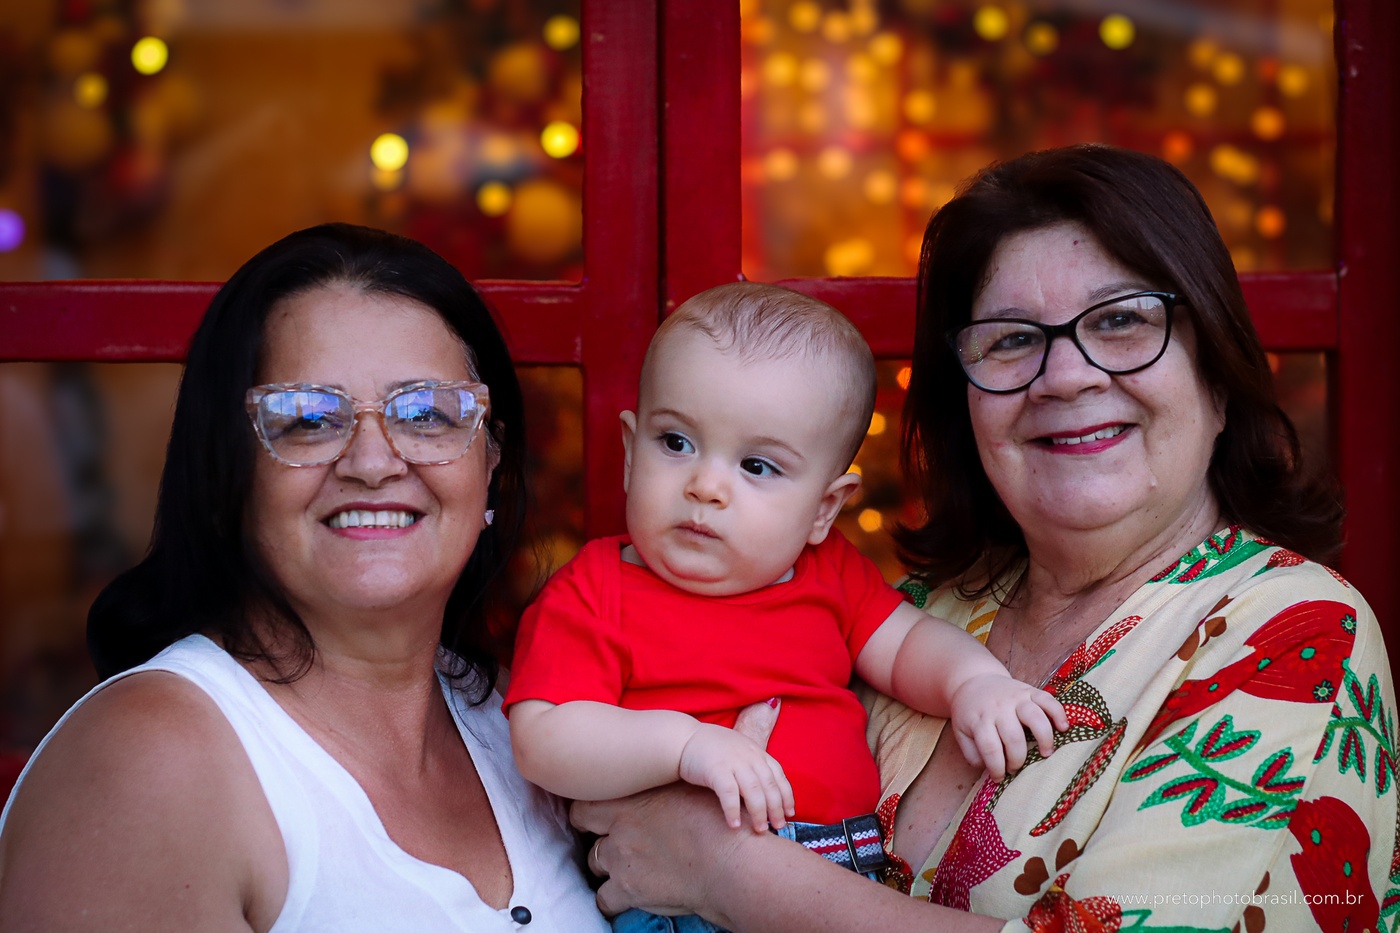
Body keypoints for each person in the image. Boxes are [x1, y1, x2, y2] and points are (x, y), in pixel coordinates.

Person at [571, 144, 1397, 933]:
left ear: (1216, 375)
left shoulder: (1295, 630)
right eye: (1012, 338)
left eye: (1121, 321)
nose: (1066, 376)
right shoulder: (923, 612)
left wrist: (729, 873)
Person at [0, 223, 608, 932]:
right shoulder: (150, 763)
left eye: (426, 413)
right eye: (308, 419)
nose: (373, 463)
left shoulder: (522, 725)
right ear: (231, 470)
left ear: (490, 462)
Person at [506, 282, 1066, 933]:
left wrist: (974, 683)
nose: (706, 486)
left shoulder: (829, 575)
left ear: (825, 508)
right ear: (631, 454)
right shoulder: (594, 589)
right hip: (675, 901)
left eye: (757, 465)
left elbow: (908, 645)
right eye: (676, 442)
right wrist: (685, 744)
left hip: (843, 871)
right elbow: (544, 737)